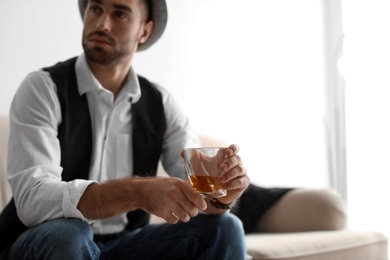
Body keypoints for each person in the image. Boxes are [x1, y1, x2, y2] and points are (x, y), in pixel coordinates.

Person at [0, 0, 252, 259]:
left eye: (119, 13)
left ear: (144, 30)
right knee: (69, 234)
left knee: (225, 227)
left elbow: (198, 198)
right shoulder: (42, 88)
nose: (101, 24)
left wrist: (222, 195)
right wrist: (138, 192)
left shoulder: (161, 103)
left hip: (124, 245)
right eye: (95, 9)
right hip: (43, 241)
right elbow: (32, 200)